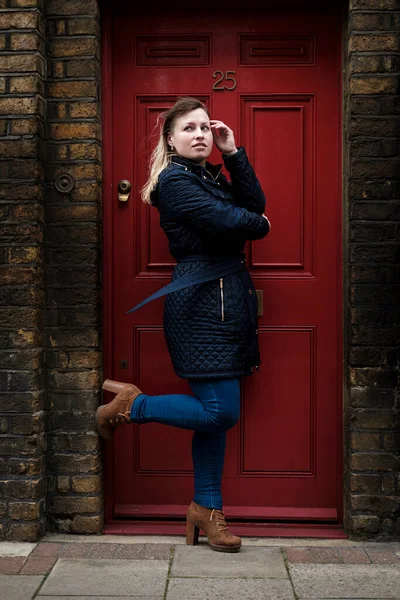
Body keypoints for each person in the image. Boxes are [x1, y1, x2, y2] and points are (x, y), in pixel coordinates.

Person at [95, 97, 271, 553]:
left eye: (205, 129)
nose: (199, 135)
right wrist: (259, 224)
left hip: (227, 300)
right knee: (221, 412)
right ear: (170, 140)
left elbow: (253, 204)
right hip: (199, 304)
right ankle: (134, 405)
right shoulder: (174, 182)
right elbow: (236, 220)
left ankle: (206, 510)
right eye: (188, 129)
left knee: (213, 420)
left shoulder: (210, 174)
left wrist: (233, 155)